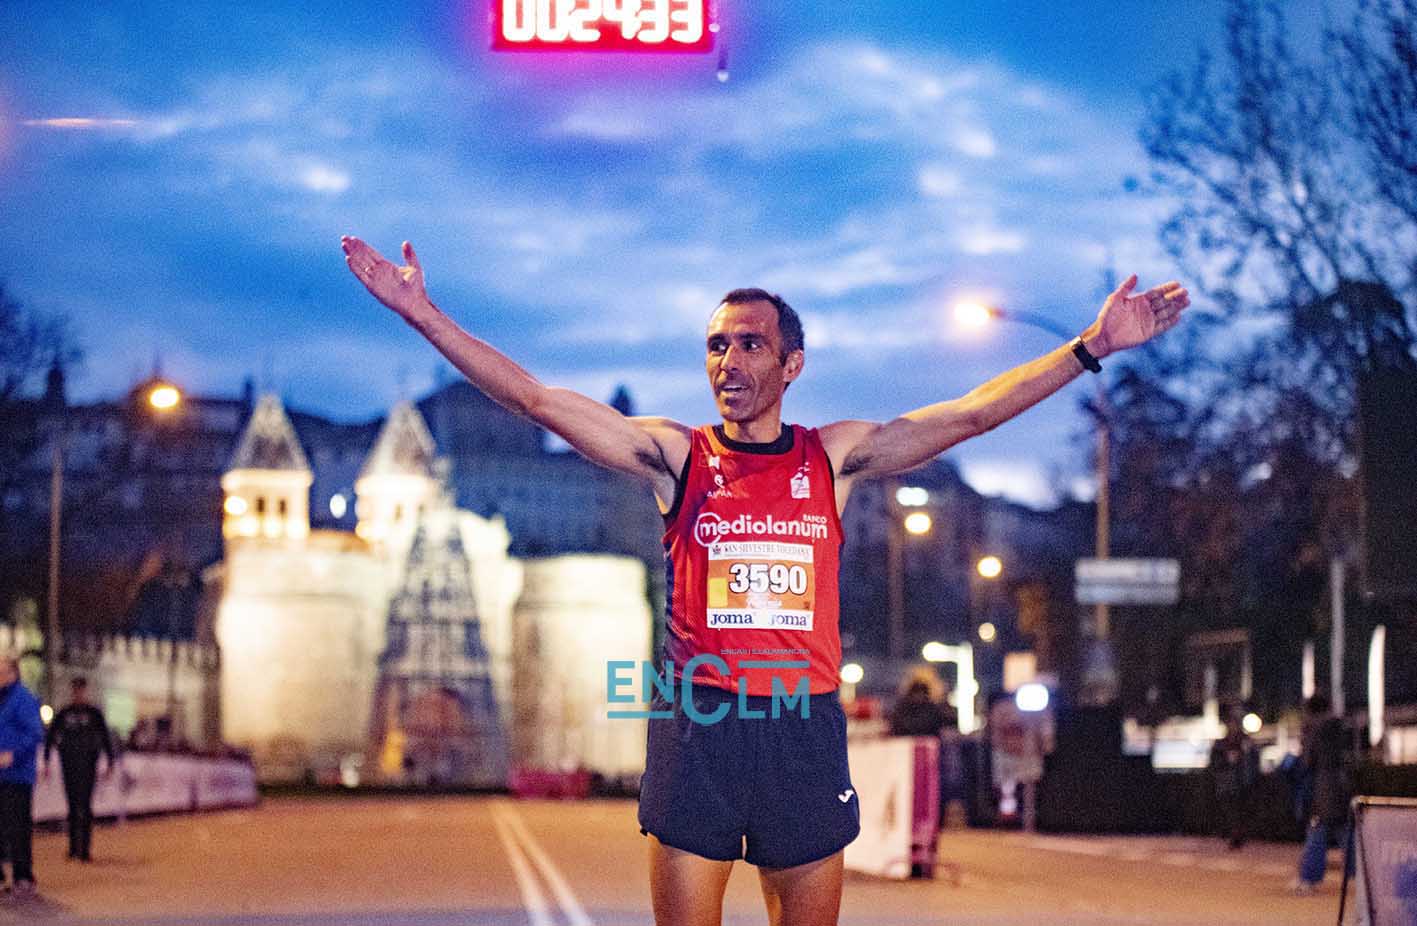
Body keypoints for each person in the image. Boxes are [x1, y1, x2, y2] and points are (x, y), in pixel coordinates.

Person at [341, 235, 1187, 926]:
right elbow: (536, 400)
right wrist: (424, 317)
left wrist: (1088, 349)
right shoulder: (675, 457)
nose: (729, 359)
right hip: (700, 725)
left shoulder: (834, 457)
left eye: (750, 344)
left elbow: (966, 415)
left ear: (791, 365)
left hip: (801, 726)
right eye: (716, 345)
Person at [44, 677, 115, 862]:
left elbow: (106, 738)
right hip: (69, 766)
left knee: (85, 807)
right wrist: (46, 760)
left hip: (88, 767)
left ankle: (85, 850)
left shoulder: (94, 714)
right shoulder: (64, 713)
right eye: (76, 690)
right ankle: (73, 848)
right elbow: (50, 737)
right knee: (72, 807)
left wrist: (110, 761)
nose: (78, 694)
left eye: (81, 690)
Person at [1292, 693, 1354, 894]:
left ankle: (1309, 878)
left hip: (1323, 786)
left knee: (1317, 829)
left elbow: (1308, 760)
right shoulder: (1340, 727)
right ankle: (1364, 874)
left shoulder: (1315, 729)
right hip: (1342, 784)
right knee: (1346, 831)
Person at [0, 655, 44, 898]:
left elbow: (35, 733)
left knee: (18, 827)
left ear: (13, 674)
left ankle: (23, 876)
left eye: (1, 672)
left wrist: (13, 755)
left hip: (17, 776)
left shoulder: (23, 699)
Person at [1210, 703, 1256, 849]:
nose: (1233, 726)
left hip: (1243, 781)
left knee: (1241, 810)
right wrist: (1226, 760)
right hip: (1227, 783)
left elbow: (1253, 760)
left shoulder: (1246, 741)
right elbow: (1214, 762)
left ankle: (1238, 836)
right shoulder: (1221, 743)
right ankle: (1234, 835)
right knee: (1230, 810)